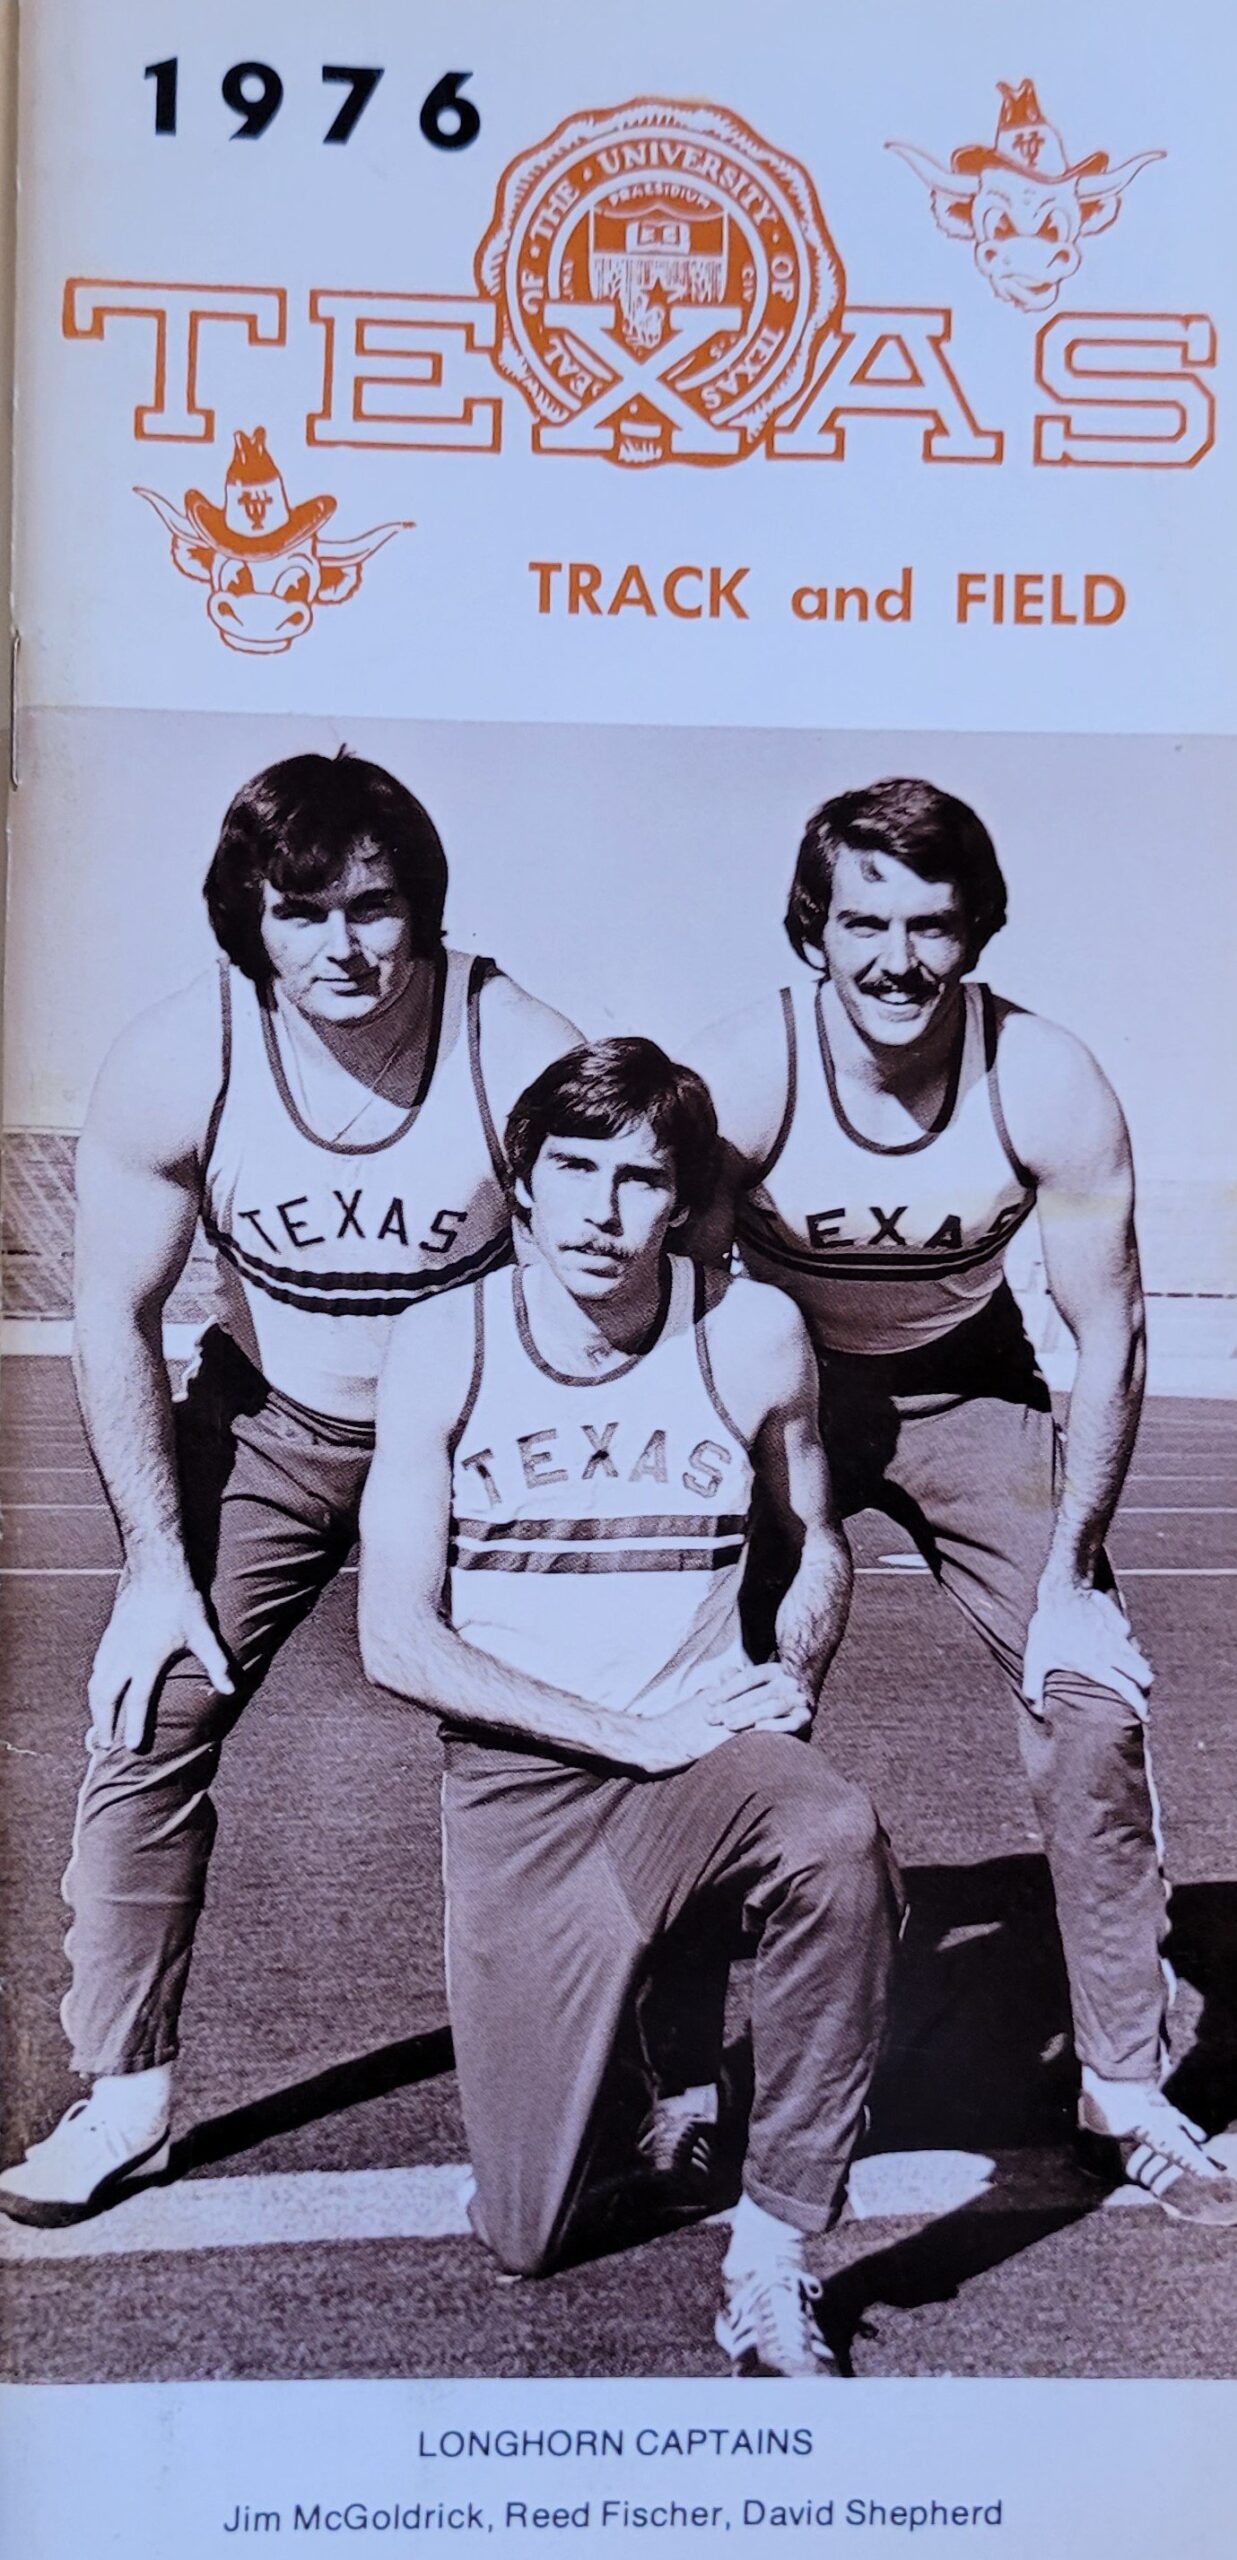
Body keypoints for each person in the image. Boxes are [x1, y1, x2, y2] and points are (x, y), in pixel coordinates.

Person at [0, 748, 579, 2226]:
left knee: (578, 1740)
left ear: (425, 910)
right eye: (302, 911)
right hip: (272, 1428)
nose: (346, 948)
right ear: (248, 920)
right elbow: (115, 1315)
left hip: (471, 1441)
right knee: (148, 1708)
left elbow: (633, 1261)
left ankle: (624, 2069)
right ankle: (122, 2098)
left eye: (377, 908)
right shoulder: (176, 1056)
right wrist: (150, 1565)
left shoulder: (514, 1044)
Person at [683, 774, 1237, 2225]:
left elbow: (1107, 1336)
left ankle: (1122, 2082)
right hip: (784, 1383)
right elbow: (667, 1311)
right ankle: (676, 2077)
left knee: (1090, 1704)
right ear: (812, 928)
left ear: (973, 929)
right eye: (861, 921)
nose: (894, 958)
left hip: (970, 1384)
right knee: (706, 1700)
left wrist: (1073, 1575)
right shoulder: (744, 1078)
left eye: (929, 925)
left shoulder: (1042, 1080)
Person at [357, 1037, 901, 2378]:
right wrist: (624, 1732)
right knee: (529, 2235)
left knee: (834, 1838)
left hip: (702, 1766)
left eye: (640, 1182)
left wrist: (795, 1675)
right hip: (523, 1792)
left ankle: (774, 2258)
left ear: (685, 1199)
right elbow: (393, 1641)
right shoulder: (445, 1345)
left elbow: (814, 1532)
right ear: (522, 1185)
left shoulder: (750, 1332)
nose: (602, 1215)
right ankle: (634, 2055)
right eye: (572, 1173)